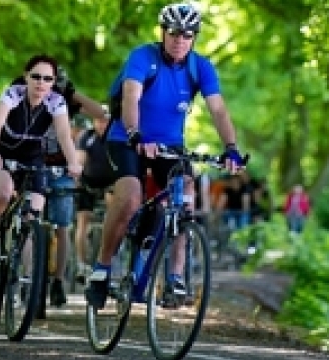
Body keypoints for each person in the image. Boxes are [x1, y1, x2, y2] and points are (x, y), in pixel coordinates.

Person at [85, 2, 248, 309]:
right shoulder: (143, 56)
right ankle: (102, 268)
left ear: (195, 37)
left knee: (185, 191)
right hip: (127, 139)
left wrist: (230, 149)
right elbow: (131, 95)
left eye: (187, 34)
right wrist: (135, 135)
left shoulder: (200, 67)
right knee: (131, 196)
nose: (180, 40)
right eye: (174, 33)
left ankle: (175, 278)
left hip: (170, 145)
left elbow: (218, 110)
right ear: (163, 33)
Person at [0, 55, 82, 272]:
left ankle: (27, 281)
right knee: (3, 192)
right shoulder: (13, 94)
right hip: (2, 156)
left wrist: (73, 163)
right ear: (26, 77)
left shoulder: (56, 101)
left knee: (31, 217)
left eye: (48, 79)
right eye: (36, 77)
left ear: (53, 82)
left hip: (32, 160)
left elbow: (64, 135)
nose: (41, 83)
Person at [8, 66, 106, 307]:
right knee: (29, 221)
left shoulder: (66, 103)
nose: (50, 89)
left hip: (60, 168)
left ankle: (58, 281)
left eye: (56, 85)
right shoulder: (25, 96)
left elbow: (101, 113)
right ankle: (28, 277)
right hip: (29, 165)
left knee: (62, 227)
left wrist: (75, 94)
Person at [74, 105, 114, 284]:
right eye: (98, 120)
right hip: (88, 183)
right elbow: (80, 159)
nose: (101, 124)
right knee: (83, 220)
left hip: (111, 184)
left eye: (105, 121)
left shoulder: (115, 137)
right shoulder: (87, 137)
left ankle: (105, 257)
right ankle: (82, 263)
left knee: (112, 209)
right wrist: (76, 173)